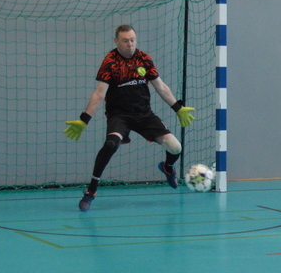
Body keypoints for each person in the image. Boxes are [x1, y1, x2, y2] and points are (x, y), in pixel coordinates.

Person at [64, 25, 195, 211]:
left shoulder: (144, 59)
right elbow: (100, 94)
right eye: (125, 41)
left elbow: (160, 86)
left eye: (132, 40)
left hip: (144, 114)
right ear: (116, 41)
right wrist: (84, 119)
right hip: (119, 116)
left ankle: (167, 167)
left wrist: (178, 108)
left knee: (176, 148)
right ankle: (91, 191)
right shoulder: (110, 62)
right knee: (111, 144)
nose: (130, 44)